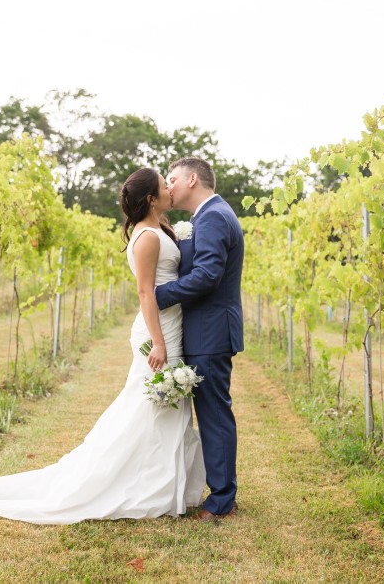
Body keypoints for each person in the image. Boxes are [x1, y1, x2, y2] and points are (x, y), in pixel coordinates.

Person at [0, 168, 205, 523]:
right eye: (163, 186)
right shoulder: (147, 236)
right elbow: (144, 292)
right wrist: (159, 344)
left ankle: (164, 487)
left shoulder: (162, 227)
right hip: (158, 330)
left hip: (173, 324)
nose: (169, 188)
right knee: (150, 406)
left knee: (165, 408)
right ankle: (136, 485)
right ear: (150, 199)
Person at [155, 157, 244, 521]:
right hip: (204, 328)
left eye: (172, 179)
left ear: (193, 179)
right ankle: (217, 493)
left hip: (210, 330)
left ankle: (222, 501)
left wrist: (160, 295)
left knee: (214, 416)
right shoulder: (204, 218)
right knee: (210, 413)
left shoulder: (213, 217)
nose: (169, 186)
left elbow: (208, 275)